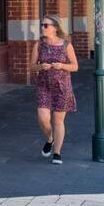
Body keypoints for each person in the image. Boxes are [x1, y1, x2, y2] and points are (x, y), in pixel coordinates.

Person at [32, 14, 78, 164]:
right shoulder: (39, 45)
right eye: (42, 25)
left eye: (46, 25)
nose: (43, 28)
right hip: (44, 85)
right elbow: (32, 67)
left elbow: (75, 66)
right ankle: (50, 139)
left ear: (55, 28)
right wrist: (40, 66)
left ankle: (57, 153)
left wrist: (62, 65)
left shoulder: (66, 45)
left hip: (62, 87)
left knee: (58, 121)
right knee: (43, 119)